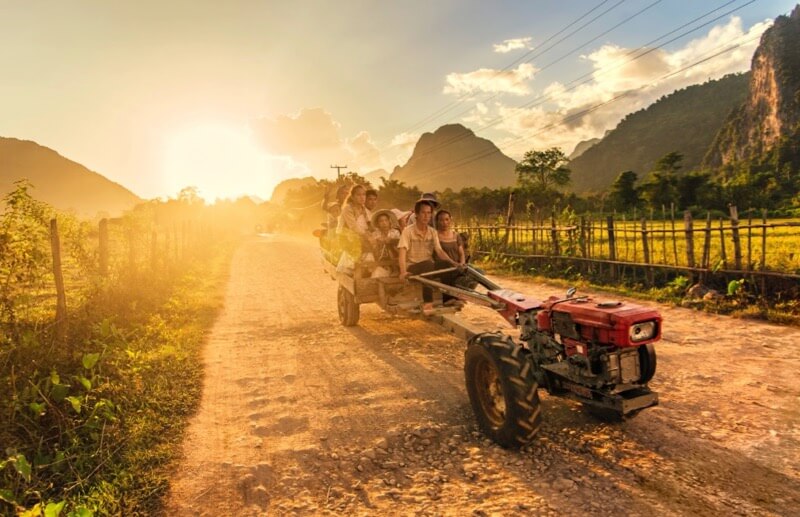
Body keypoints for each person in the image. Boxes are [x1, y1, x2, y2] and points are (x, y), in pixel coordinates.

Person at [397, 196, 460, 314]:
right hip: (413, 266)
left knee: (446, 265)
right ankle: (428, 302)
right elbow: (402, 252)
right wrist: (403, 272)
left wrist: (453, 263)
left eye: (429, 213)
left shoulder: (432, 232)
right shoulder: (408, 231)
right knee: (428, 264)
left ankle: (448, 298)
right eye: (423, 213)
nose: (426, 216)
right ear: (416, 214)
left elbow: (439, 251)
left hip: (428, 265)